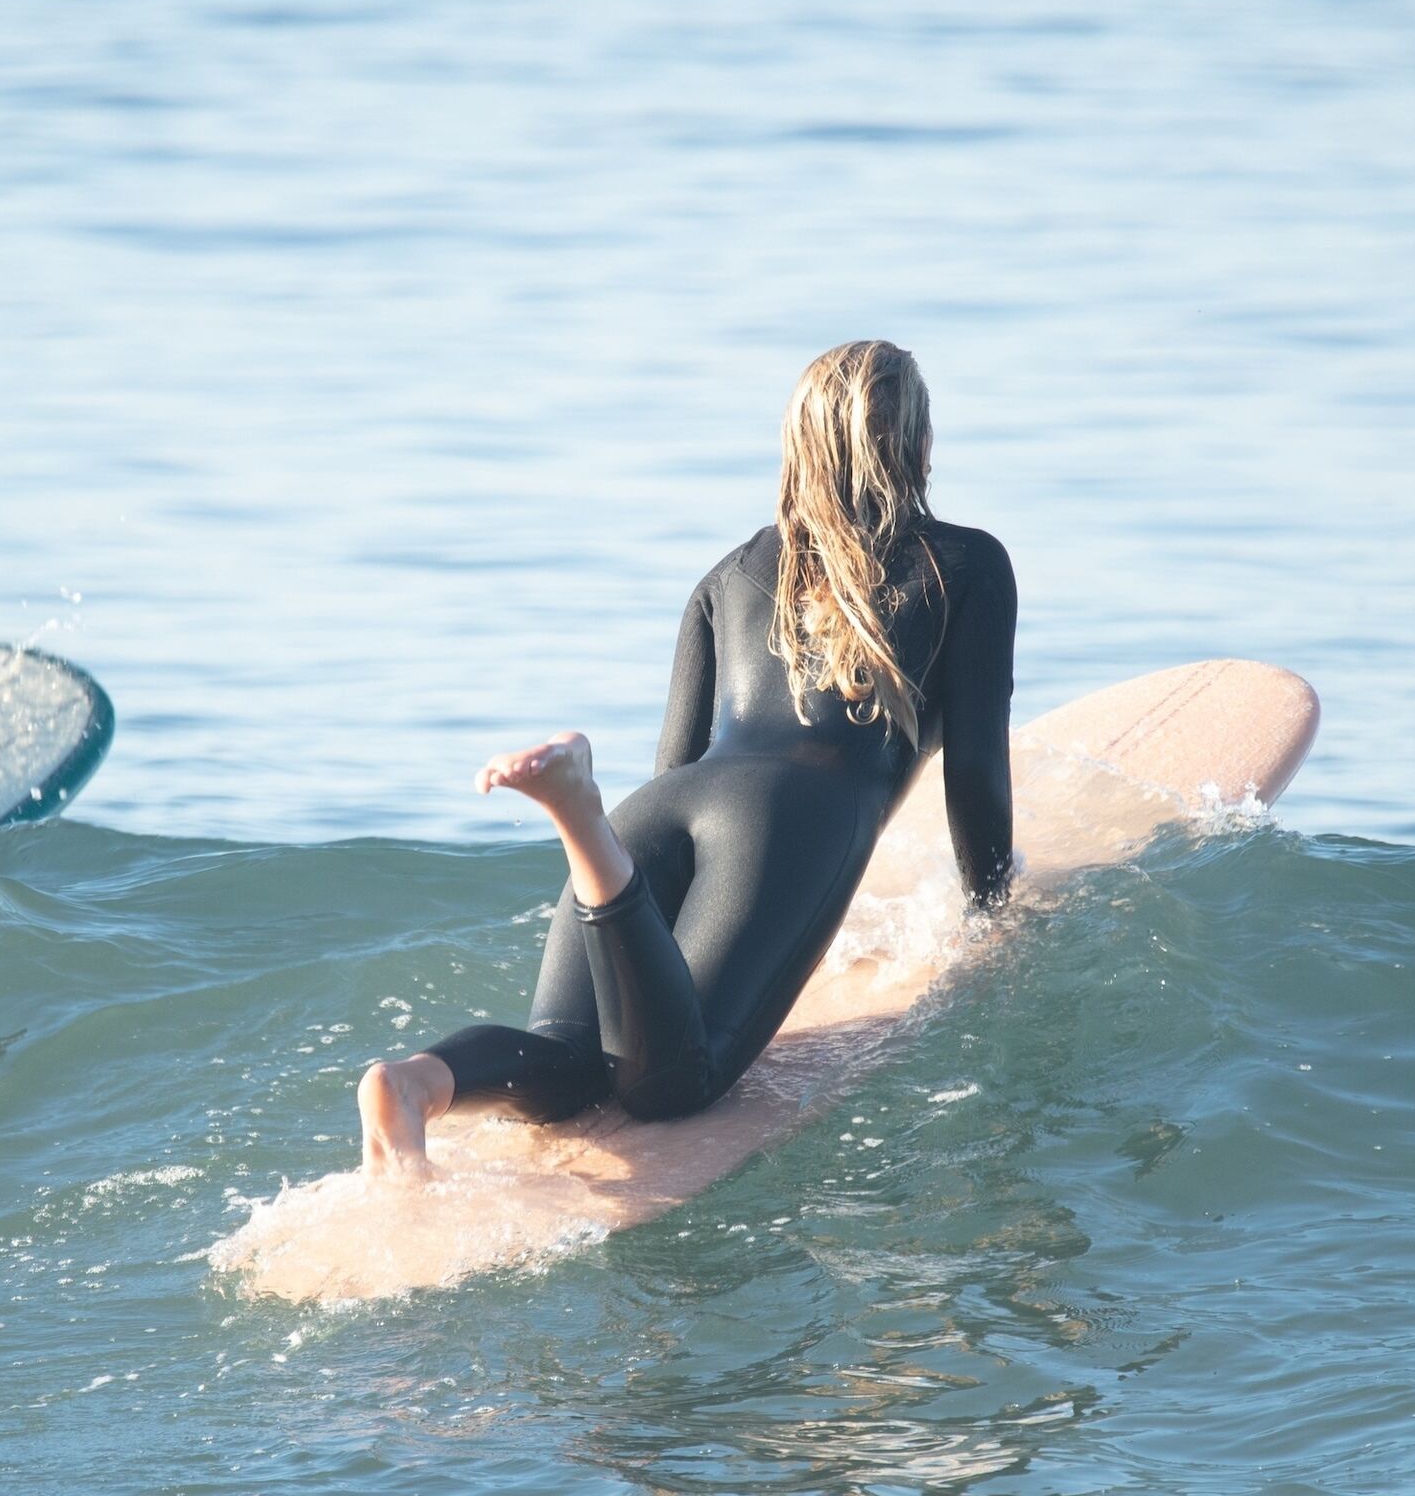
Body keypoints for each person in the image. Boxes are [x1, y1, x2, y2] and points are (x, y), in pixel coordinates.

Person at [355, 340, 1016, 1177]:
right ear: (919, 445)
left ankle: (419, 1080)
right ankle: (574, 813)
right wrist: (992, 915)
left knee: (570, 1055)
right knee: (670, 1083)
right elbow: (978, 777)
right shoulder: (965, 564)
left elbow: (674, 763)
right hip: (789, 820)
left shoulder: (728, 573)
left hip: (657, 810)